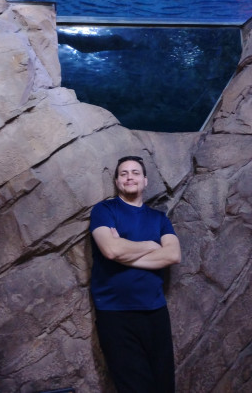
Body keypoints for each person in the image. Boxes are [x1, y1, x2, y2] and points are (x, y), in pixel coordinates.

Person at [90, 155, 181, 393]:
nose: (130, 177)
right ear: (117, 181)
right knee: (133, 387)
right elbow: (110, 250)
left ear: (145, 180)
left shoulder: (159, 218)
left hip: (155, 311)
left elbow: (173, 255)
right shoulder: (104, 210)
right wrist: (151, 246)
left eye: (135, 173)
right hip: (115, 313)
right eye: (124, 173)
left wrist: (126, 252)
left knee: (163, 386)